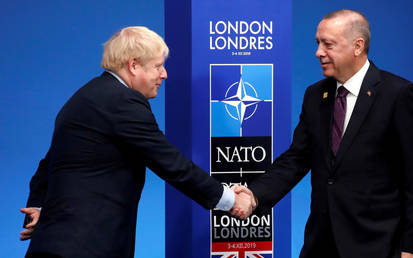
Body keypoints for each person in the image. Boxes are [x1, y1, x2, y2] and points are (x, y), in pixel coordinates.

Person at [20, 26, 255, 258]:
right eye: (157, 66)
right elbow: (169, 162)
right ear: (133, 66)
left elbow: (48, 165)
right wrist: (229, 199)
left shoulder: (85, 96)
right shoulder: (122, 101)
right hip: (87, 246)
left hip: (54, 244)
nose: (164, 74)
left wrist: (38, 208)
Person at [233, 9, 413, 258]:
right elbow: (297, 158)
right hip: (321, 242)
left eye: (328, 44)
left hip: (377, 243)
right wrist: (254, 194)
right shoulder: (315, 95)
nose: (318, 52)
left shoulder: (398, 94)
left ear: (357, 46)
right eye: (318, 43)